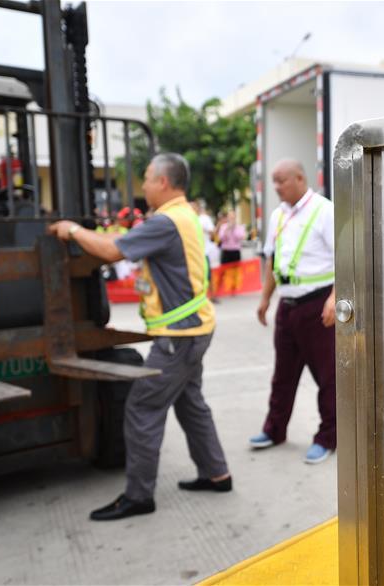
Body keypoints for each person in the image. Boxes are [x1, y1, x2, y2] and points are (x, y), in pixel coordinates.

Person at [49, 153, 232, 521]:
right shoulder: (183, 215)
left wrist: (72, 230)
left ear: (163, 183)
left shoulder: (166, 221)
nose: (143, 185)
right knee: (190, 402)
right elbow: (126, 238)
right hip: (193, 330)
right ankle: (217, 474)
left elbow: (112, 250)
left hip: (178, 337)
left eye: (147, 178)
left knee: (142, 408)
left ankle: (138, 496)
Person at [252, 158, 336, 464]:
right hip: (287, 307)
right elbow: (273, 262)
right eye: (273, 181)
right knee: (282, 375)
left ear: (300, 178)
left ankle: (328, 437)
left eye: (281, 181)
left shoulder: (324, 211)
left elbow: (346, 257)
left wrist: (334, 297)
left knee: (328, 377)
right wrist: (265, 299)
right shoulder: (278, 216)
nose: (275, 187)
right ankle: (274, 430)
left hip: (317, 305)